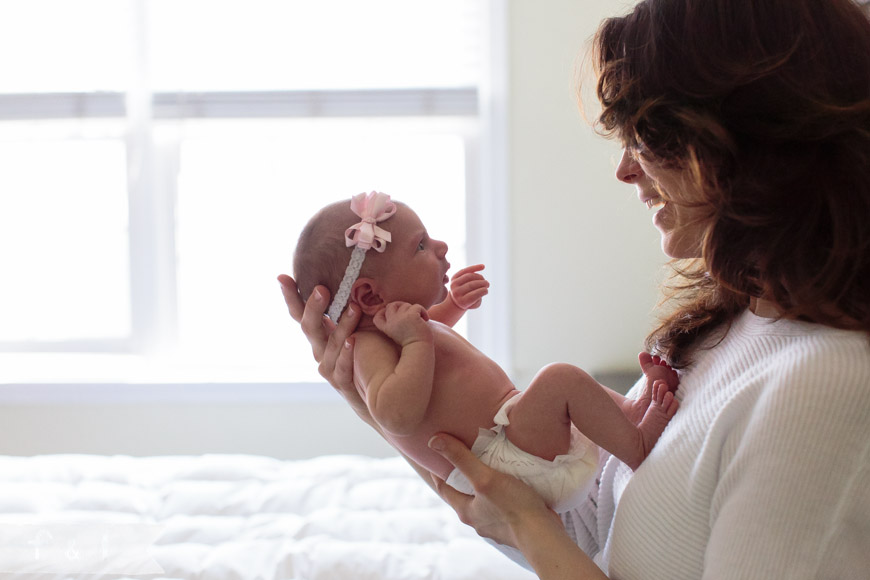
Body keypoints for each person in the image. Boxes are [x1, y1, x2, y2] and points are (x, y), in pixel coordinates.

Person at [280, 0, 870, 577]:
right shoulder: (736, 320)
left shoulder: (826, 390)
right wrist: (364, 397)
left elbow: (546, 530)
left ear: (750, 138)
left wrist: (525, 527)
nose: (625, 169)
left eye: (648, 135)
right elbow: (586, 527)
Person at [292, 191, 679, 512]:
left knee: (559, 388)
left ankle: (631, 412)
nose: (441, 247)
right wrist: (415, 341)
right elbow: (396, 416)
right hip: (503, 464)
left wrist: (454, 306)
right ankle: (637, 445)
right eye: (421, 246)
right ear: (370, 295)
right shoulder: (369, 348)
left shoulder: (405, 327)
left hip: (513, 439)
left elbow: (433, 333)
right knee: (559, 379)